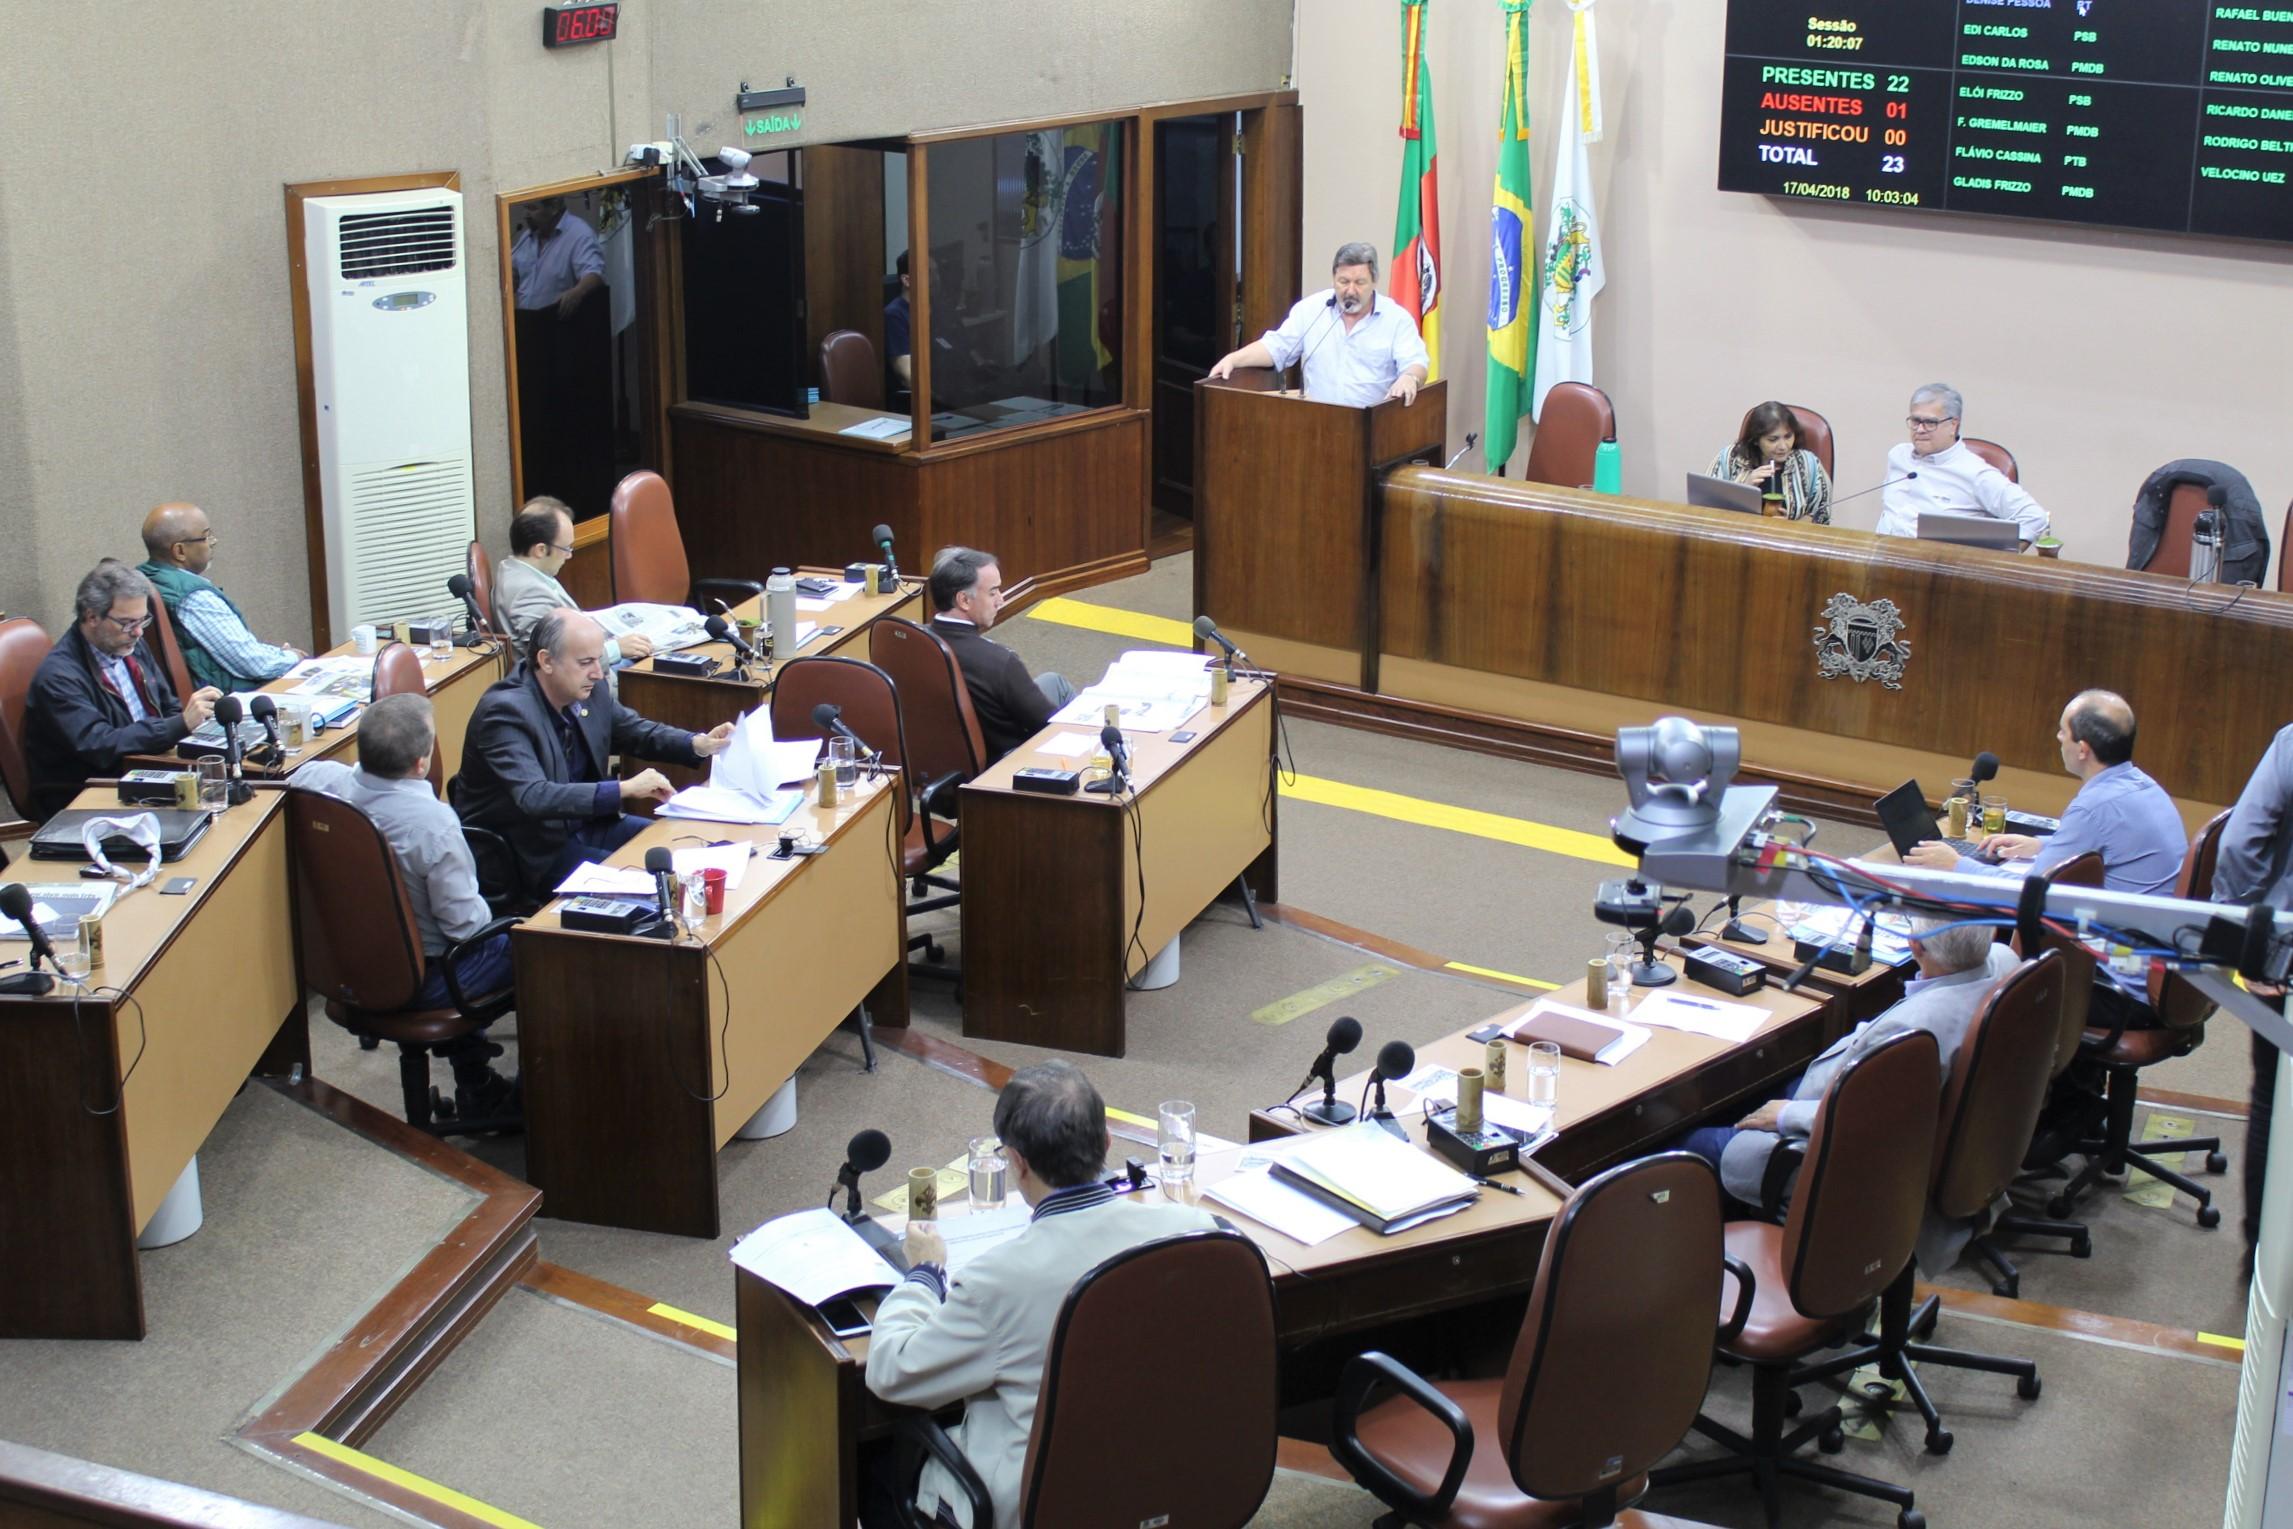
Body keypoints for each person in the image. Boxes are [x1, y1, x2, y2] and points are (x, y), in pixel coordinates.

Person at [863, 1060, 1217, 1529]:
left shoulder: (996, 1282)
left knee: (873, 1471)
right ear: (1107, 1142)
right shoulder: (1195, 1232)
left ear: (1017, 1162)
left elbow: (892, 1373)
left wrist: (925, 1271)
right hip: (1171, 1481)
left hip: (1048, 1505)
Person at [1683, 919, 2019, 1271]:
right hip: (1938, 1137)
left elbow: (1867, 1117)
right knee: (1757, 1091)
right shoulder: (2005, 960)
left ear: (1915, 945)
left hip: (1849, 1159)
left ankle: (1699, 1274)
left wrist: (1785, 1116)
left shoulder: (1912, 1029)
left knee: (1693, 1143)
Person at [1905, 689, 2185, 1031]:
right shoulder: (2144, 787)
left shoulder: (2092, 806)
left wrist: (1957, 865)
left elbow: (2028, 897)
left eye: (2062, 731)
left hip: (2118, 988)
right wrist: (2041, 846)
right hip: (2159, 971)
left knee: (1970, 970)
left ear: (2082, 749)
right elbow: (2110, 845)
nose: (2057, 738)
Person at [292, 694, 515, 1113]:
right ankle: (483, 1088)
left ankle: (475, 1078)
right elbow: (464, 928)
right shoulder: (434, 827)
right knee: (525, 944)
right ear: (421, 764)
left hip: (343, 967)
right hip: (422, 980)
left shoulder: (315, 782)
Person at [455, 611, 732, 899]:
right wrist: (624, 789)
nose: (598, 673)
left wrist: (695, 743)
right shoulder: (504, 713)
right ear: (546, 661)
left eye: (598, 660)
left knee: (681, 853)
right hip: (531, 852)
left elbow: (633, 730)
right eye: (585, 663)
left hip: (590, 825)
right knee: (654, 889)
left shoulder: (589, 688)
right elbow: (534, 796)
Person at [22, 561, 220, 820]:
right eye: (127, 623)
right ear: (92, 617)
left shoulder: (130, 645)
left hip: (143, 766)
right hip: (91, 790)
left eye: (142, 621)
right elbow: (101, 745)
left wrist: (193, 731)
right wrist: (179, 725)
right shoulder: (58, 677)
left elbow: (167, 705)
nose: (138, 632)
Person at [2211, 722, 2293, 1277]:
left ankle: (2264, 1258)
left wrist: (2246, 942)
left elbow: (2242, 843)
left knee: (2273, 1097)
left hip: (2284, 962)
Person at [1208, 241, 1430, 408]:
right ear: (1333, 278)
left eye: (1360, 282)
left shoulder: (1396, 319)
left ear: (1374, 281)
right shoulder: (1312, 310)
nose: (1350, 290)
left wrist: (1409, 378)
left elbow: (1416, 362)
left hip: (1372, 428)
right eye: (1343, 282)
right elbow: (1277, 347)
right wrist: (1233, 359)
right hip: (1319, 425)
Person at [136, 501, 305, 693]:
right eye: (206, 537)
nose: (212, 543)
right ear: (180, 551)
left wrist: (277, 654)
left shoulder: (145, 577)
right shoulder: (194, 597)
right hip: (233, 701)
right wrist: (294, 657)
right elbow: (252, 663)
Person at [927, 547, 1075, 762]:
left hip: (943, 756)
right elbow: (1048, 724)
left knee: (1054, 682)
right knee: (1068, 712)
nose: (1001, 600)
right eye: (993, 592)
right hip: (1003, 761)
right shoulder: (998, 661)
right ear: (964, 600)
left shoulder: (916, 642)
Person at [1874, 383, 2049, 545]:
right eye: (1915, 421)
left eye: (1930, 423)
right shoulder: (1898, 455)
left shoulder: (1975, 473)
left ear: (1953, 425)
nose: (1920, 430)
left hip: (1935, 569)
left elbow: (2035, 518)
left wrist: (1995, 562)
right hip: (1883, 557)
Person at [493, 497, 653, 667]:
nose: (569, 555)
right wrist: (616, 648)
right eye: (566, 548)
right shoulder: (527, 593)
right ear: (540, 550)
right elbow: (558, 661)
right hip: (586, 682)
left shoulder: (519, 569)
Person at [1708, 401, 1832, 523]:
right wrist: (1743, 489)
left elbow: (1821, 514)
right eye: (1773, 440)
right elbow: (1707, 506)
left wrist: (1790, 527)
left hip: (1789, 540)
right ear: (1756, 440)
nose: (1783, 446)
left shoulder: (1808, 464)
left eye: (1788, 436)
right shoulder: (1729, 458)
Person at [509, 195, 604, 316]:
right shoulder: (526, 238)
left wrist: (578, 292)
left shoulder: (579, 233)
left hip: (561, 325)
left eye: (532, 208)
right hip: (527, 325)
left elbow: (595, 275)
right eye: (525, 208)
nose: (525, 215)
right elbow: (512, 275)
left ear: (554, 207)